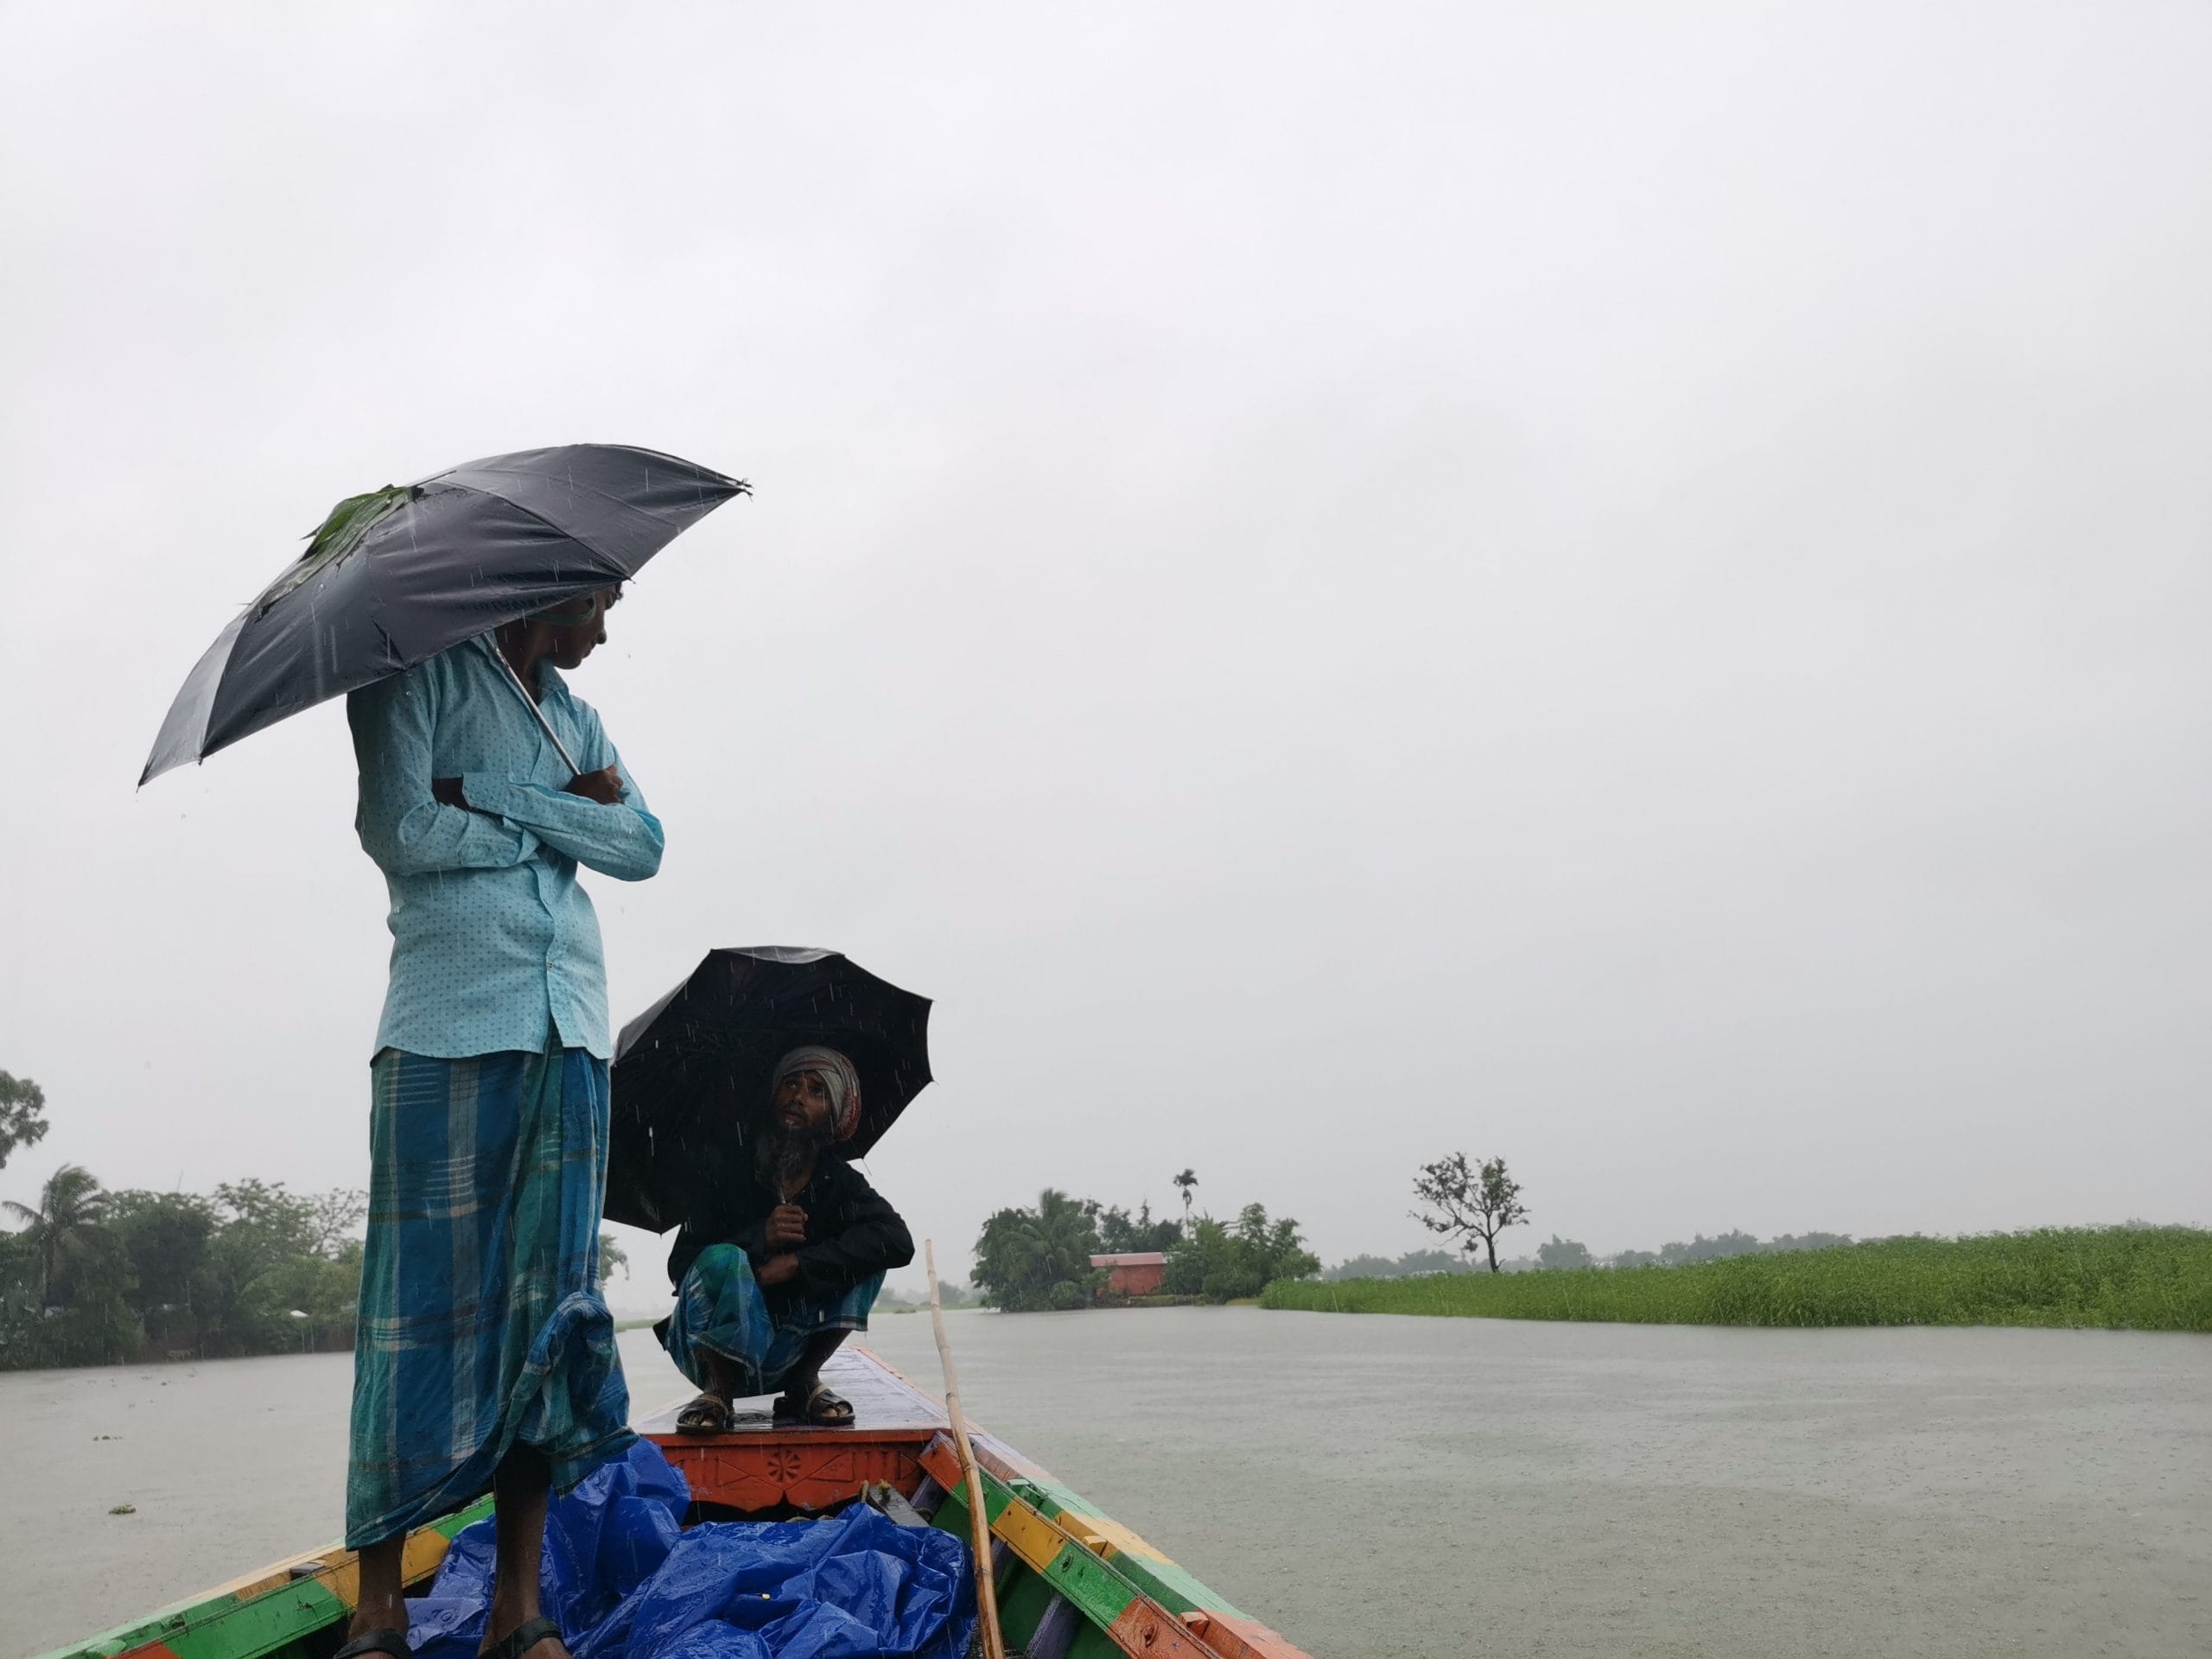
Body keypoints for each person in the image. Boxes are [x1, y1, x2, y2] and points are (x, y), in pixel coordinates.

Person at [339, 588, 661, 1659]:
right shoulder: (410, 675)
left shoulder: (576, 718)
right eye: (599, 605)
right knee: (413, 1314)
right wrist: (565, 812)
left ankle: (517, 1612)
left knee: (550, 1320)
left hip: (571, 1030)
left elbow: (644, 844)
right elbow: (400, 829)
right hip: (446, 1028)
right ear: (541, 588)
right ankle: (378, 1610)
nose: (606, 628)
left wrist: (496, 796)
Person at [660, 1046, 913, 1432]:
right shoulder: (729, 1171)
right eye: (791, 1084)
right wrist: (758, 1240)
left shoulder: (838, 1182)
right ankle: (718, 1392)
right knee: (723, 1258)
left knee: (869, 1257)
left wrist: (798, 1263)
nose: (798, 1097)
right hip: (704, 1349)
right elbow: (680, 1266)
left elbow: (897, 1241)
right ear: (774, 1095)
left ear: (833, 1115)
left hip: (788, 1352)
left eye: (817, 1091)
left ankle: (803, 1383)